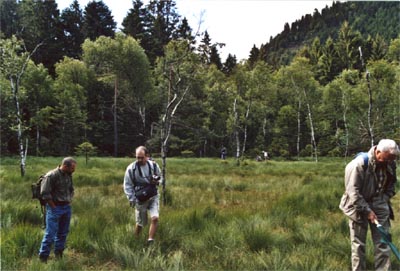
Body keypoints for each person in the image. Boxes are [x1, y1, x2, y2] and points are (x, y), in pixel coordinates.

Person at [340, 139, 398, 271]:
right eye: (387, 158)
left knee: (383, 242)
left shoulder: (391, 162)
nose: (390, 161)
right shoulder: (358, 165)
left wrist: (383, 199)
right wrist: (367, 211)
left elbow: (392, 183)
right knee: (358, 244)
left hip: (380, 203)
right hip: (357, 205)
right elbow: (352, 192)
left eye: (392, 159)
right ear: (378, 152)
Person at [38, 157, 77, 263]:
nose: (74, 170)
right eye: (72, 168)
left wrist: (69, 200)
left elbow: (71, 189)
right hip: (54, 208)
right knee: (50, 234)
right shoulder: (51, 175)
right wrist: (54, 207)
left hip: (66, 208)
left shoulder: (69, 175)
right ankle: (43, 257)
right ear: (65, 166)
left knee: (63, 233)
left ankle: (58, 254)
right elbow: (45, 193)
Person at [123, 146, 162, 244]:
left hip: (153, 195)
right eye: (137, 157)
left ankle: (150, 240)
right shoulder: (131, 168)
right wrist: (132, 199)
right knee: (141, 223)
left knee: (155, 218)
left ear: (147, 156)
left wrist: (157, 181)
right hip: (140, 198)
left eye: (142, 157)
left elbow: (161, 177)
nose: (139, 160)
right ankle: (135, 240)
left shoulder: (153, 165)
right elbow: (127, 185)